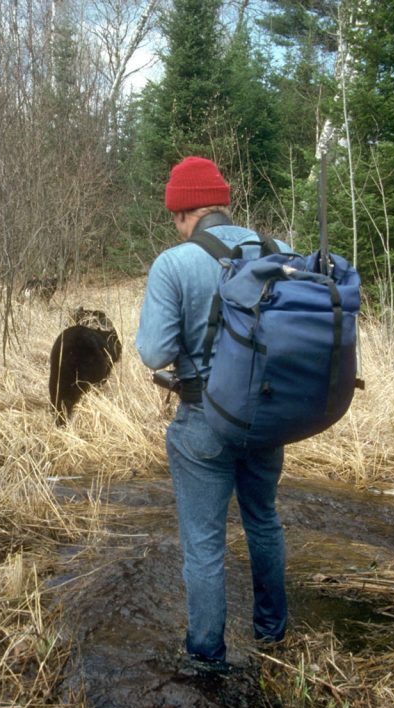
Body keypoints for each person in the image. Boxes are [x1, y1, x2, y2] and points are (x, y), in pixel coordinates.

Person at [136, 156, 288, 672]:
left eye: (174, 216)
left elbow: (155, 354)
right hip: (268, 416)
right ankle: (273, 632)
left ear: (183, 213)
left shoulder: (174, 264)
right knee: (264, 522)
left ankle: (206, 657)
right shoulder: (279, 251)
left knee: (204, 545)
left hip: (203, 418)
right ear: (223, 202)